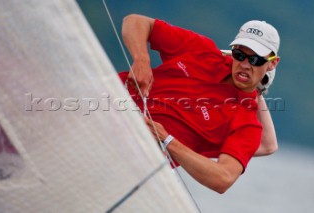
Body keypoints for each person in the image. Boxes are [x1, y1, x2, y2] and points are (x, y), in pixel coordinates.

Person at [119, 14, 280, 193]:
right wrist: (141, 59)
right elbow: (135, 21)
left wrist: (167, 139)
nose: (244, 64)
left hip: (129, 157)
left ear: (272, 64)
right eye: (239, 54)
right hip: (101, 104)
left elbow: (223, 178)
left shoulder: (247, 125)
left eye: (255, 60)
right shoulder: (203, 51)